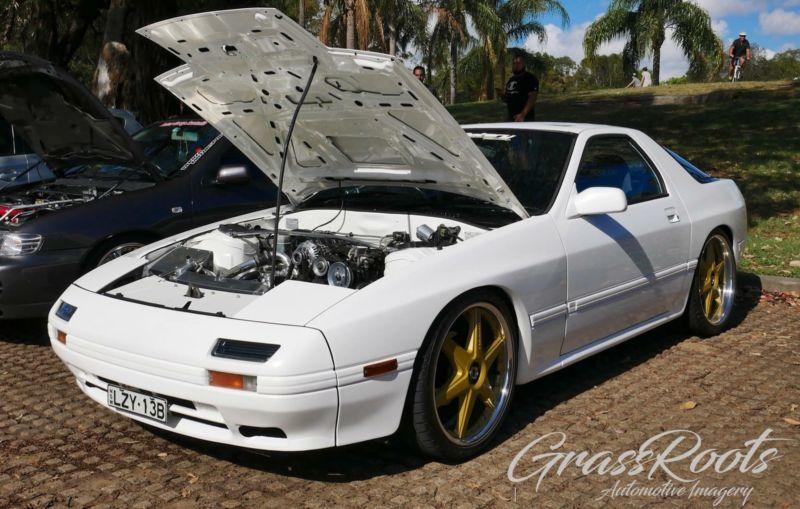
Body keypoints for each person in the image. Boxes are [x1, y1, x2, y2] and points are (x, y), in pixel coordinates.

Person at [496, 54, 539, 122]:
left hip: (525, 119)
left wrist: (523, 114)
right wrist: (502, 95)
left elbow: (533, 97)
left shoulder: (530, 78)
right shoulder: (511, 80)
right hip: (511, 119)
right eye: (514, 63)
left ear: (524, 64)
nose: (516, 65)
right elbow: (508, 99)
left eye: (518, 63)